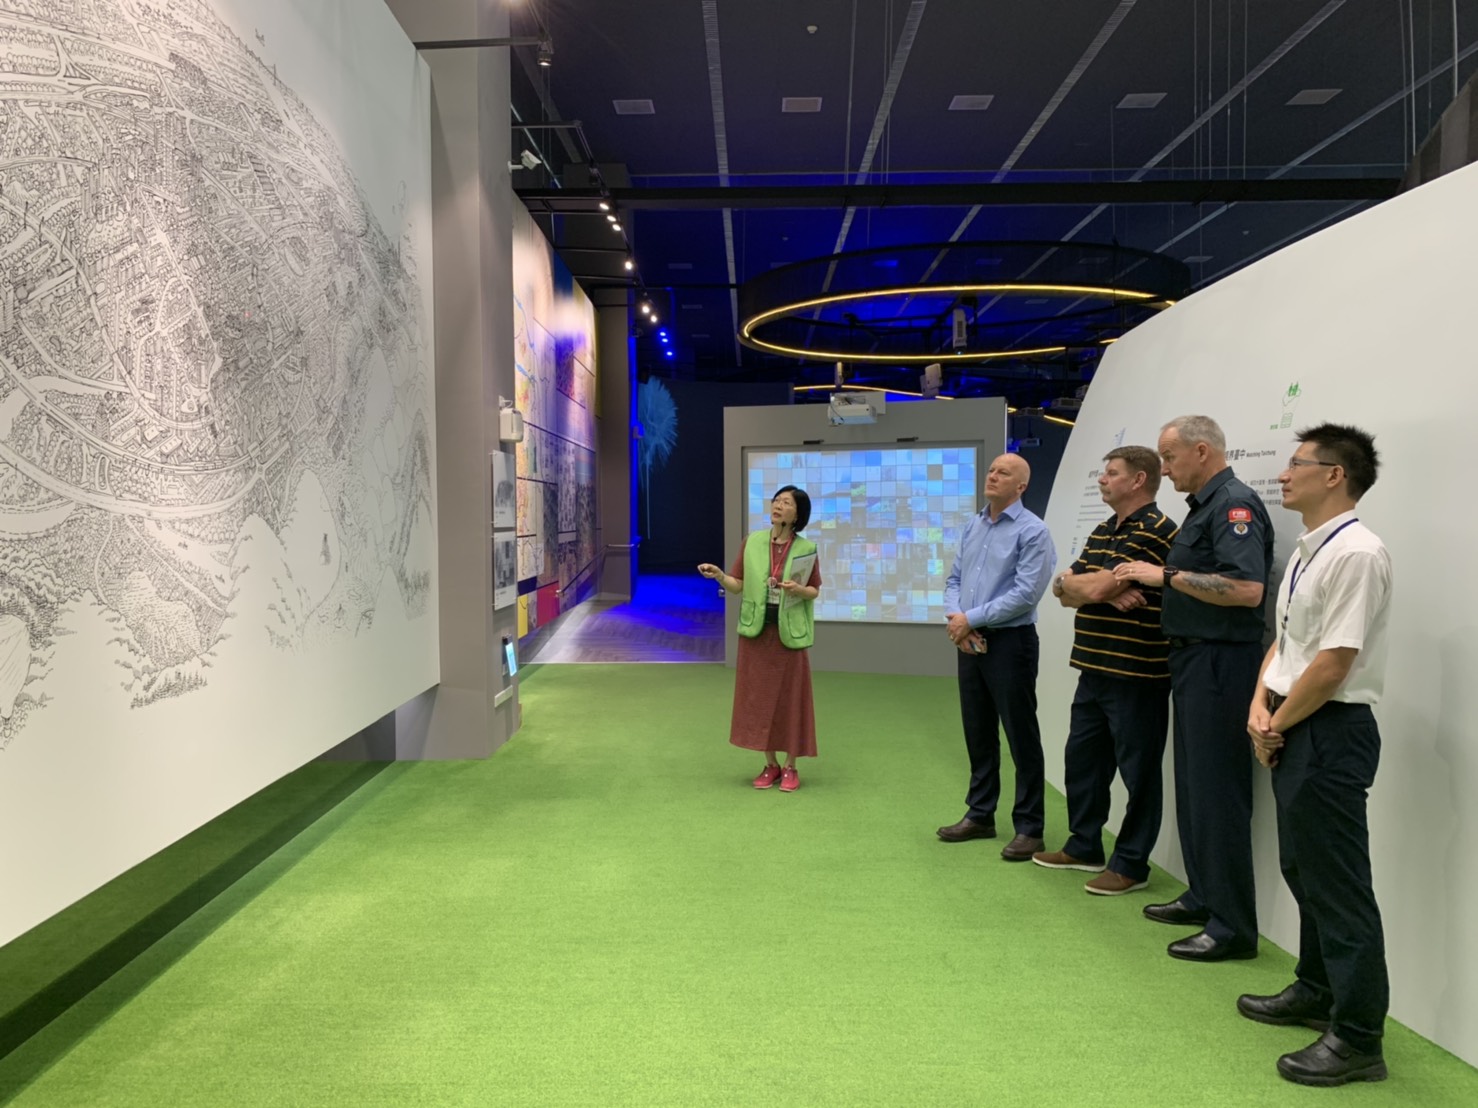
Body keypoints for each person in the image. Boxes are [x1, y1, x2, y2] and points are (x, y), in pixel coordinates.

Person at [1241, 424, 1392, 1087]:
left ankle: (1358, 1037)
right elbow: (1288, 642)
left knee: (1339, 886)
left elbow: (1334, 663)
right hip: (1295, 720)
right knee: (1303, 869)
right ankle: (1317, 988)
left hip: (1329, 730)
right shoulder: (1311, 550)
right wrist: (1259, 704)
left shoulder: (1356, 553)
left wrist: (1274, 723)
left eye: (1297, 463)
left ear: (1335, 475)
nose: (1283, 474)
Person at [1114, 414, 1272, 962]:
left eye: (1170, 457)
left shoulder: (1234, 505)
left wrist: (1165, 577)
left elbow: (1247, 589)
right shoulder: (1204, 506)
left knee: (1217, 793)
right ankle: (1205, 896)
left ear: (1202, 451)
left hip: (1220, 662)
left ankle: (1231, 927)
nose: (1164, 468)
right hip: (1194, 660)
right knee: (1194, 787)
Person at [1034, 446, 1177, 895]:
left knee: (1139, 774)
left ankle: (1131, 864)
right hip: (1094, 667)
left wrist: (1094, 587)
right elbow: (1062, 590)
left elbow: (1091, 587)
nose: (1101, 479)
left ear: (1138, 480)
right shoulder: (1103, 529)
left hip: (1137, 673)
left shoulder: (1156, 529)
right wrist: (1091, 587)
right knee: (1083, 763)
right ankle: (1084, 846)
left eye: (1111, 473)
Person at [937, 453, 1056, 860]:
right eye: (991, 470)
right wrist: (958, 618)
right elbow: (954, 579)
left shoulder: (1033, 531)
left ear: (1021, 486)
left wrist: (969, 619)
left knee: (1021, 735)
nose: (992, 476)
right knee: (978, 730)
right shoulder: (973, 525)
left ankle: (1030, 827)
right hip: (968, 639)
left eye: (1003, 472)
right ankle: (980, 814)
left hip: (1011, 643)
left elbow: (1026, 594)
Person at [698, 485, 822, 792]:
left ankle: (791, 766)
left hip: (788, 636)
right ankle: (770, 764)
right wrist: (720, 576)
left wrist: (798, 590)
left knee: (791, 700)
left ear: (797, 514)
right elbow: (737, 584)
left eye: (786, 503)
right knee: (760, 700)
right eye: (776, 500)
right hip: (756, 634)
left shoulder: (807, 548)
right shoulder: (752, 542)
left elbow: (814, 590)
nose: (778, 506)